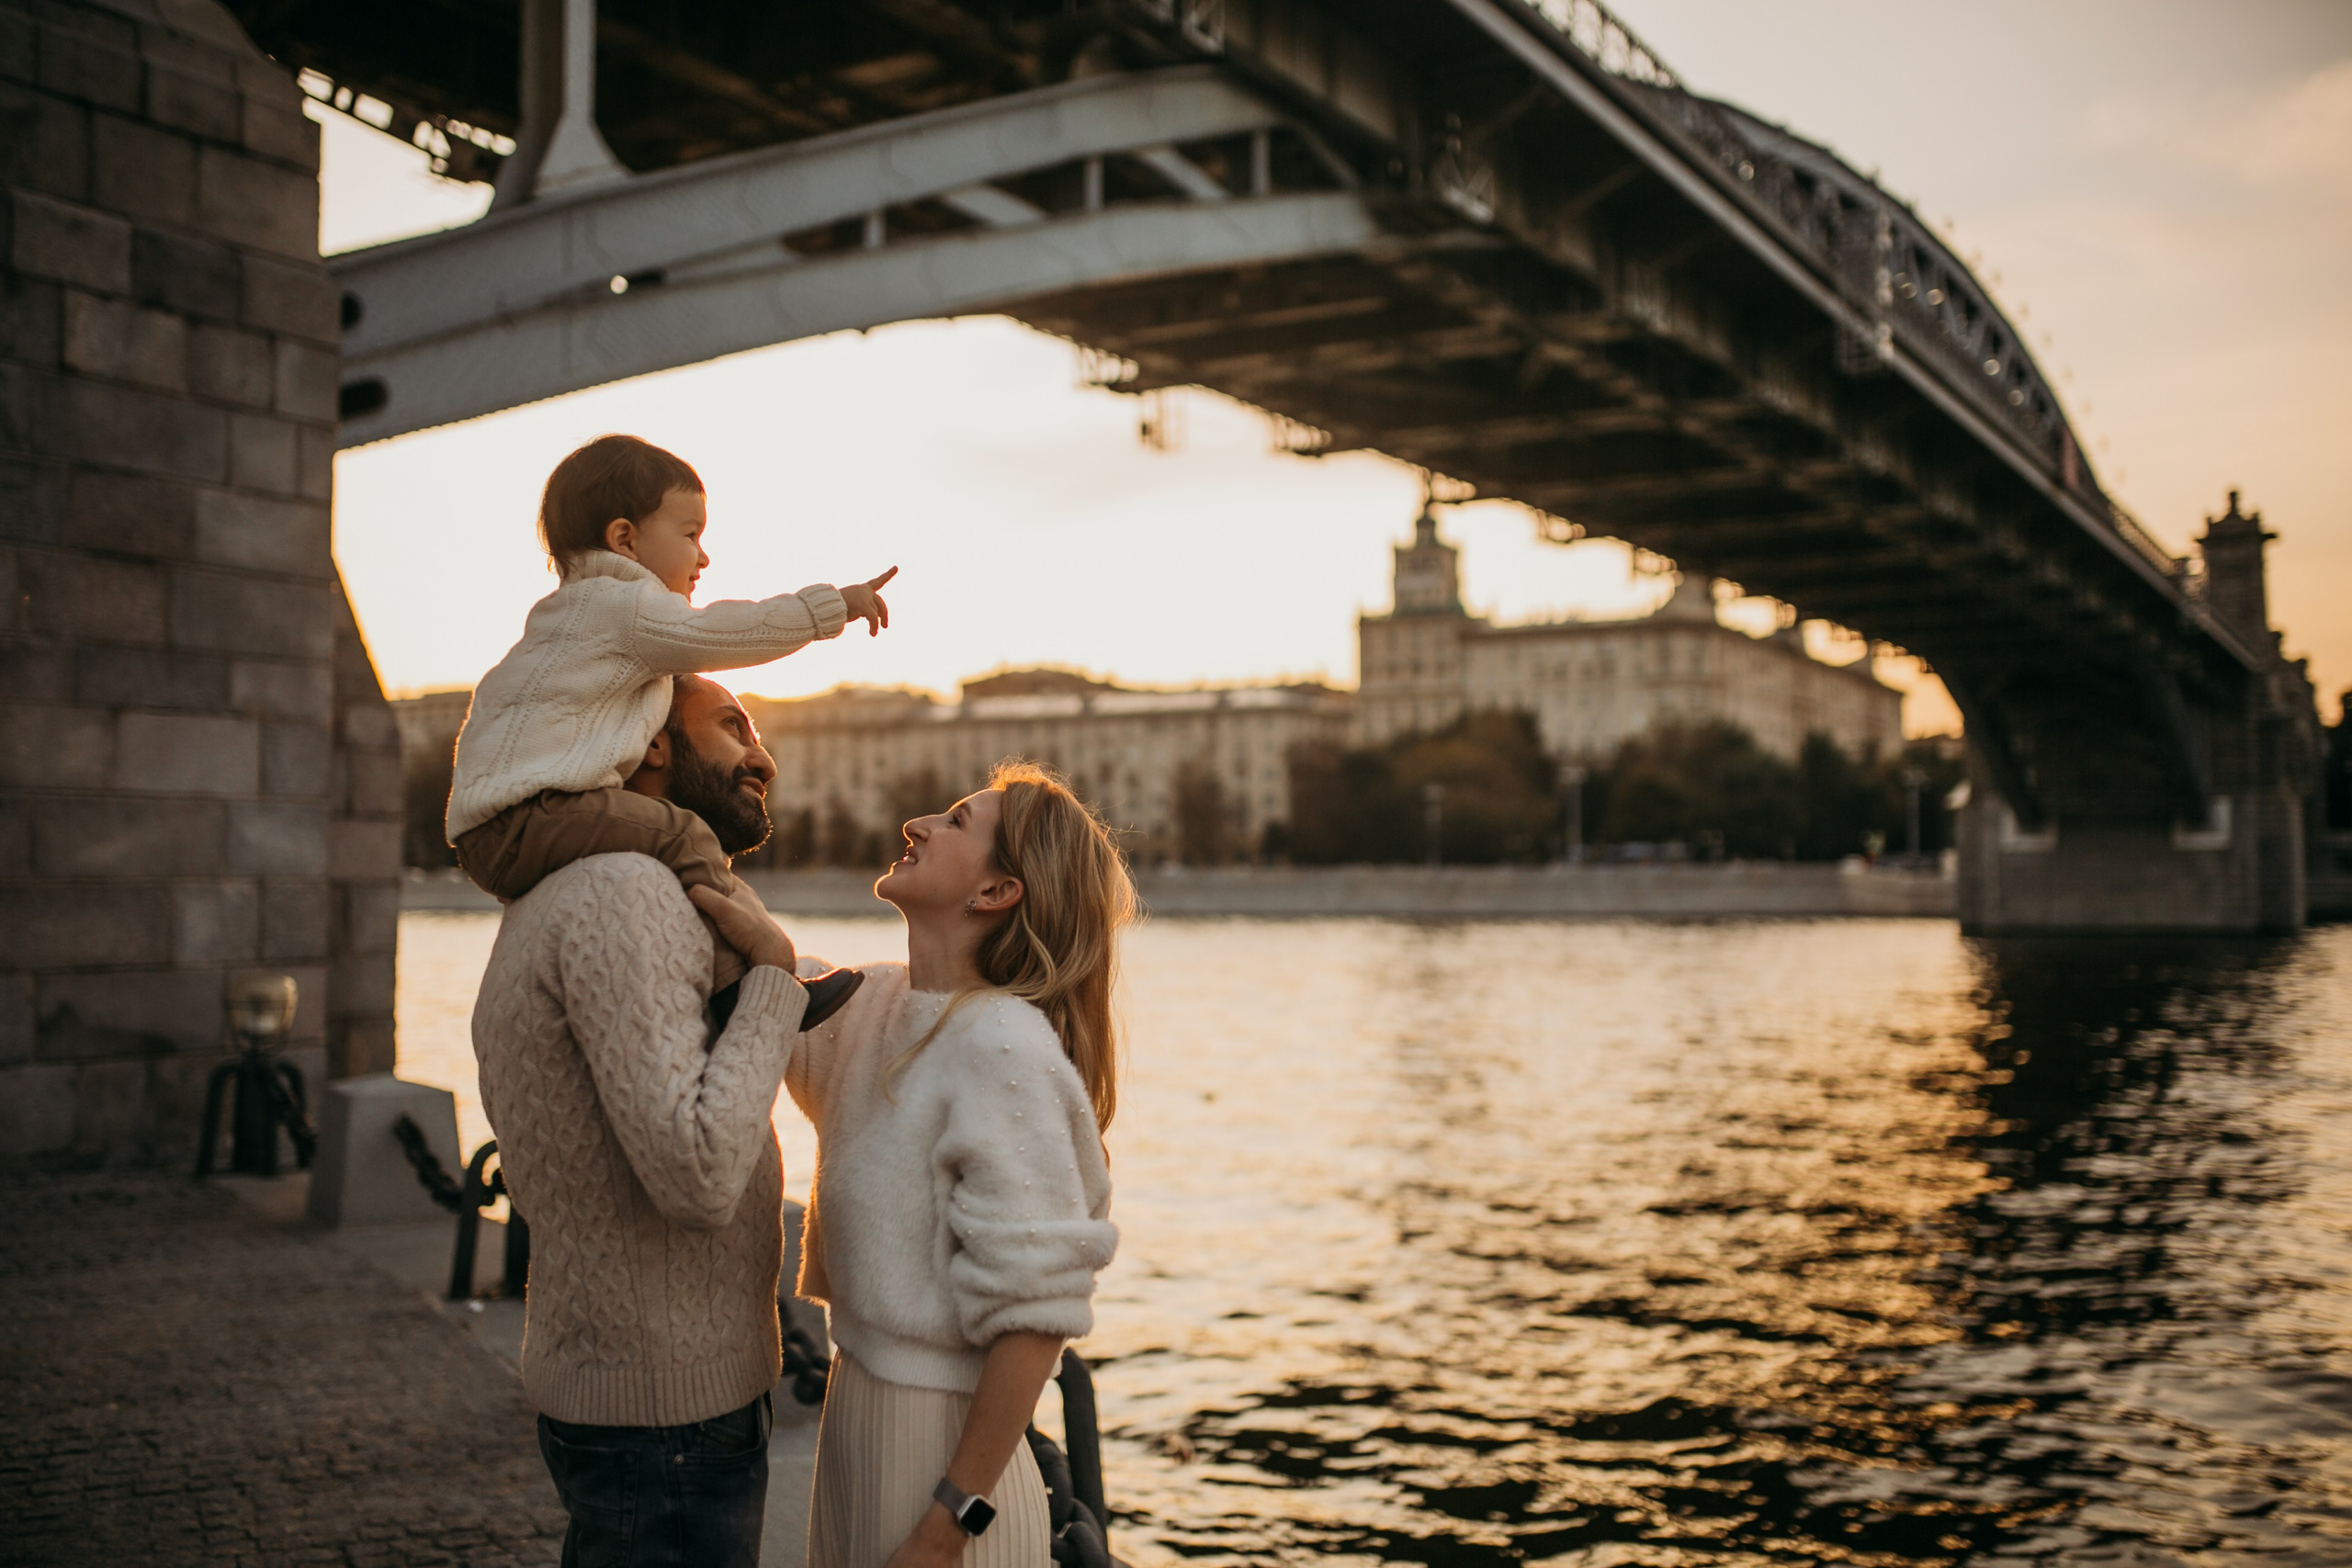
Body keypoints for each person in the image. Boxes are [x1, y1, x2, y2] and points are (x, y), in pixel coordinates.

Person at [694, 761, 1130, 1568]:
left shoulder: (1004, 1048)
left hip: (942, 1473)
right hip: (857, 1431)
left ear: (997, 893)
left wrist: (943, 1528)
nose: (919, 823)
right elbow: (760, 965)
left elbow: (1036, 1322)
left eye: (958, 821)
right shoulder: (877, 1006)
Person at [471, 674, 809, 1568]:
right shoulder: (626, 892)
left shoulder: (575, 887)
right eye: (733, 726)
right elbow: (697, 1176)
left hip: (636, 1400)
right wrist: (776, 978)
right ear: (653, 743)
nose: (760, 754)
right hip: (669, 1421)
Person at [447, 432, 895, 1006]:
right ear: (624, 540)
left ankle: (768, 967)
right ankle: (736, 984)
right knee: (684, 833)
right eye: (690, 535)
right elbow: (723, 631)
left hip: (499, 827)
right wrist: (831, 606)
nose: (704, 557)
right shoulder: (619, 607)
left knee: (685, 847)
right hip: (527, 818)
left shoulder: (567, 620)